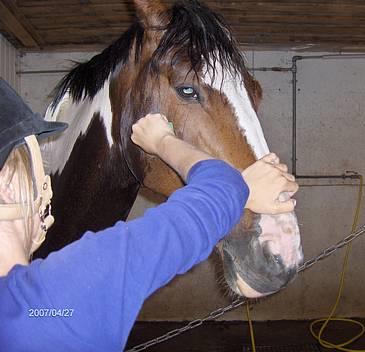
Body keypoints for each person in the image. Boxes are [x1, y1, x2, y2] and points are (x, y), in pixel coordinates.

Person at [0, 78, 298, 351]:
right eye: (33, 167)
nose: (44, 184)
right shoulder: (60, 295)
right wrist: (161, 141)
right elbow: (220, 185)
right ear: (7, 186)